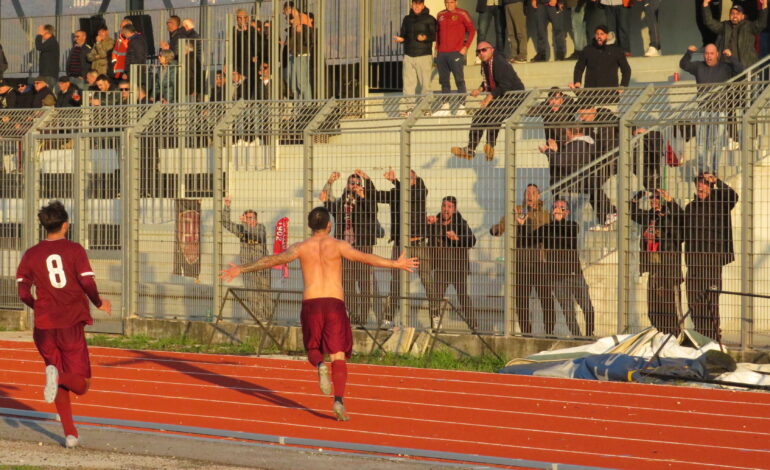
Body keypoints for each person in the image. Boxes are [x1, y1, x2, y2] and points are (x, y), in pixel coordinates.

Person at [220, 207, 418, 421]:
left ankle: (320, 366)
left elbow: (272, 260)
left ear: (309, 226)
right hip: (334, 303)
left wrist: (242, 269)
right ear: (329, 225)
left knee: (313, 348)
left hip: (312, 302)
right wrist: (394, 263)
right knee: (338, 354)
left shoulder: (301, 247)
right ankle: (339, 401)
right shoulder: (339, 245)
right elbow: (365, 257)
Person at [16, 201, 112, 448]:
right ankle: (57, 380)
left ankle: (70, 434)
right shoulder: (74, 250)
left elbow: (22, 290)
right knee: (81, 383)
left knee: (56, 370)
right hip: (70, 322)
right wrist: (99, 303)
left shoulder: (31, 253)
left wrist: (36, 306)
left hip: (44, 326)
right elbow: (87, 283)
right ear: (66, 224)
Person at [681, 172, 738, 341]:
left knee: (711, 298)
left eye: (705, 183)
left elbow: (733, 196)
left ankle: (713, 335)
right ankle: (699, 333)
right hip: (693, 259)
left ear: (711, 186)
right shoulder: (690, 207)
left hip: (713, 257)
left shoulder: (721, 203)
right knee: (693, 298)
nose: (700, 186)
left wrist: (717, 180)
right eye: (699, 183)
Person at [490, 184, 553, 335]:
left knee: (546, 300)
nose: (530, 195)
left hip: (539, 262)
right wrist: (496, 228)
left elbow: (547, 233)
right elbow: (499, 228)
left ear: (539, 196)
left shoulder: (545, 214)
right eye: (527, 192)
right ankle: (526, 333)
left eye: (533, 192)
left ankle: (550, 332)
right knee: (521, 301)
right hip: (520, 262)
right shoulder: (516, 211)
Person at [373, 167, 433, 327]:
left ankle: (435, 315)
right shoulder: (397, 193)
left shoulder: (420, 189)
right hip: (401, 245)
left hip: (418, 244)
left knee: (427, 280)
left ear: (415, 180)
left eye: (409, 179)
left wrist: (395, 181)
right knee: (396, 282)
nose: (406, 182)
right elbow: (377, 196)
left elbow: (412, 195)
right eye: (404, 180)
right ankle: (388, 317)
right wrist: (365, 183)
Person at [320, 170, 381, 325]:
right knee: (347, 282)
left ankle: (363, 317)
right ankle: (353, 316)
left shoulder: (367, 199)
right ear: (347, 185)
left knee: (364, 282)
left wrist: (363, 195)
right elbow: (328, 201)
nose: (354, 186)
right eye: (351, 183)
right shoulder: (342, 202)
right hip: (345, 246)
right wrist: (330, 182)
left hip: (363, 245)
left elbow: (373, 212)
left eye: (357, 184)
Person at [450, 41, 525, 161]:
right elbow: (489, 81)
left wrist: (490, 96)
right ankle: (470, 149)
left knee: (494, 114)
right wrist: (480, 89)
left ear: (492, 50)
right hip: (501, 95)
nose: (481, 53)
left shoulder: (499, 62)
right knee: (479, 116)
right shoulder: (485, 63)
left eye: (484, 50)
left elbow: (506, 84)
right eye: (478, 51)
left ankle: (490, 146)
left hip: (514, 96)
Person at [533, 199, 594, 336]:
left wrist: (560, 221)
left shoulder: (572, 226)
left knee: (588, 308)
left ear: (567, 212)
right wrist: (521, 225)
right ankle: (578, 338)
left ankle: (590, 334)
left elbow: (567, 234)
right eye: (555, 207)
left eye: (561, 208)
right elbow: (527, 239)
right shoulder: (546, 228)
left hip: (574, 274)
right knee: (568, 312)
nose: (557, 210)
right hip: (557, 277)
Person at [629, 189, 684, 335]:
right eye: (652, 197)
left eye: (657, 198)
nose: (654, 200)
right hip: (653, 266)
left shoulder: (670, 215)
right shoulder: (649, 216)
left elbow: (679, 235)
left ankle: (674, 335)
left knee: (669, 306)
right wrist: (639, 195)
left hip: (669, 267)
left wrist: (664, 219)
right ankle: (658, 332)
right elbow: (633, 213)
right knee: (653, 306)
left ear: (663, 200)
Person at [426, 196, 477, 330]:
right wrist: (426, 224)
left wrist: (457, 238)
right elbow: (426, 239)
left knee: (463, 297)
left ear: (454, 209)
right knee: (435, 298)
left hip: (458, 268)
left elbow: (472, 240)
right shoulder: (435, 223)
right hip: (441, 268)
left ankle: (474, 326)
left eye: (449, 207)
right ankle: (435, 325)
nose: (445, 209)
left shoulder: (460, 223)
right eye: (444, 206)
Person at [222, 196, 270, 320]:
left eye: (253, 218)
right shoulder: (241, 229)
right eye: (248, 218)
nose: (251, 220)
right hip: (247, 267)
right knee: (251, 294)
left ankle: (268, 319)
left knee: (265, 294)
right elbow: (225, 223)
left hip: (262, 267)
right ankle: (257, 319)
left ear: (256, 219)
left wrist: (244, 224)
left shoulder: (261, 228)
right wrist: (227, 206)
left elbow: (256, 235)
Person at [701, 0, 768, 68]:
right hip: (726, 68)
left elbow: (761, 24)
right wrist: (705, 4)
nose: (735, 15)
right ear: (729, 16)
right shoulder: (724, 26)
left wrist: (764, 6)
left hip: (744, 68)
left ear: (742, 16)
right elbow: (709, 22)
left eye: (737, 13)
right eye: (732, 13)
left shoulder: (749, 27)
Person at [394, 0, 436, 97]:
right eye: (414, 4)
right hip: (408, 55)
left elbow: (435, 36)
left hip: (424, 56)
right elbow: (404, 35)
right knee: (408, 85)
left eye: (419, 4)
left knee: (426, 85)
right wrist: (401, 39)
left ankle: (426, 109)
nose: (417, 6)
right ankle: (409, 108)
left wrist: (425, 38)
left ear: (423, 5)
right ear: (411, 5)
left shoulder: (430, 19)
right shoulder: (406, 19)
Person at [435, 0, 476, 97]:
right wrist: (437, 48)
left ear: (456, 3)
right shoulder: (440, 14)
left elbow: (472, 30)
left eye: (452, 2)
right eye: (447, 2)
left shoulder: (462, 13)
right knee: (444, 81)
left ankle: (462, 107)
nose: (449, 4)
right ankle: (446, 105)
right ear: (444, 3)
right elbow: (437, 33)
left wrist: (466, 47)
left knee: (459, 80)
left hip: (456, 52)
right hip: (442, 53)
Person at [571, 25, 631, 89]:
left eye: (602, 34)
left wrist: (623, 85)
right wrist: (577, 81)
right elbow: (579, 67)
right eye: (597, 34)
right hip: (591, 93)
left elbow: (626, 70)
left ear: (607, 36)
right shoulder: (588, 50)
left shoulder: (616, 51)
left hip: (610, 93)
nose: (599, 36)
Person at [680, 44, 745, 84]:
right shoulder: (698, 66)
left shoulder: (725, 67)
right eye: (706, 53)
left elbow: (739, 69)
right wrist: (689, 53)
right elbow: (683, 64)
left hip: (721, 104)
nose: (709, 56)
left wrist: (731, 57)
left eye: (711, 53)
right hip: (704, 104)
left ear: (717, 54)